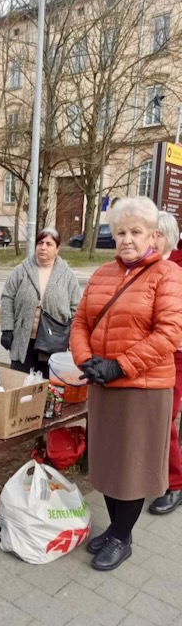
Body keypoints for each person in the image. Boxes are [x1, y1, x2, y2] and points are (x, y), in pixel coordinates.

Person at [70, 197, 182, 572]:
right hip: (104, 382)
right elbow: (80, 323)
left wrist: (120, 366)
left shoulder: (167, 275)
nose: (127, 239)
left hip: (142, 388)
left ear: (153, 235)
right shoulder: (103, 274)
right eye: (120, 232)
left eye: (135, 232)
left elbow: (169, 333)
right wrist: (86, 361)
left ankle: (122, 536)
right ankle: (117, 527)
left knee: (131, 467)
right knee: (106, 462)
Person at [0, 227, 81, 378]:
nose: (43, 247)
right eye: (40, 243)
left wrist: (73, 339)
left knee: (46, 389)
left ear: (57, 249)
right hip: (23, 340)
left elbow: (77, 310)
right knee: (19, 384)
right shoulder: (21, 270)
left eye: (49, 244)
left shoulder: (67, 276)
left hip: (53, 343)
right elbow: (7, 297)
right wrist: (7, 329)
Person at [149, 211, 182, 515]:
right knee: (151, 418)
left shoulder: (178, 266)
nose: (149, 239)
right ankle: (152, 473)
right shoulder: (148, 266)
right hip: (150, 354)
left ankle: (175, 484)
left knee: (165, 418)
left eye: (153, 233)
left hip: (177, 356)